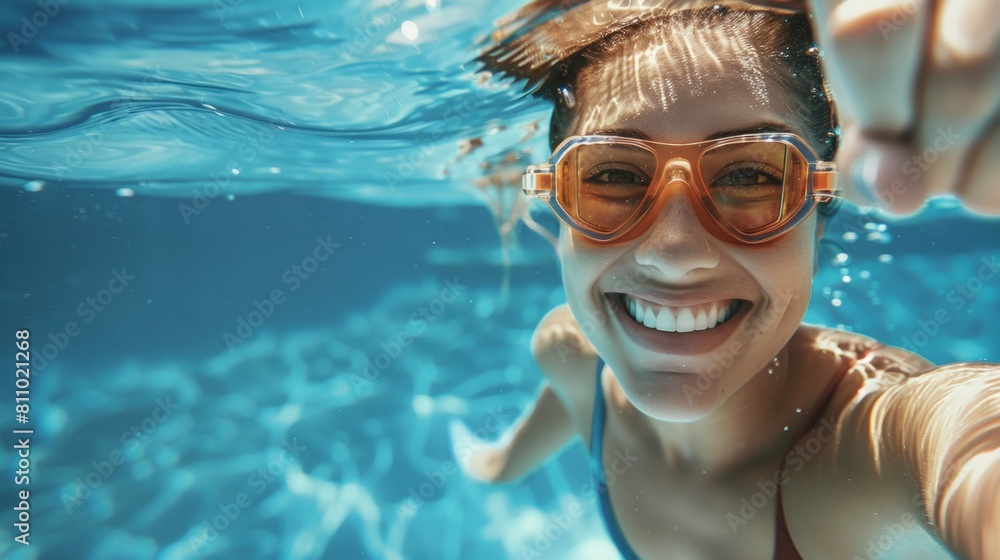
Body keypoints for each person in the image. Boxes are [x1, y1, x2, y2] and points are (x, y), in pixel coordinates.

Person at [452, 1, 1000, 558]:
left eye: (750, 175)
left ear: (818, 223)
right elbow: (558, 412)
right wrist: (494, 467)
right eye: (614, 174)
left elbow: (971, 447)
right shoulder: (572, 352)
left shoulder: (875, 446)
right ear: (554, 199)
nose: (675, 253)